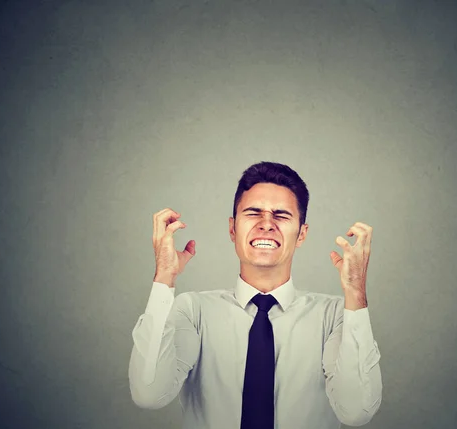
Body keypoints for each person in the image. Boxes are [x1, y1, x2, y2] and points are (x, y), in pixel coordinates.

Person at [128, 161, 382, 429]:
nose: (267, 224)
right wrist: (164, 277)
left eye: (281, 215)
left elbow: (356, 411)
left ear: (302, 234)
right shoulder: (193, 311)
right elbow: (149, 394)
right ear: (232, 228)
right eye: (253, 213)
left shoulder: (335, 316)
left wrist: (356, 293)